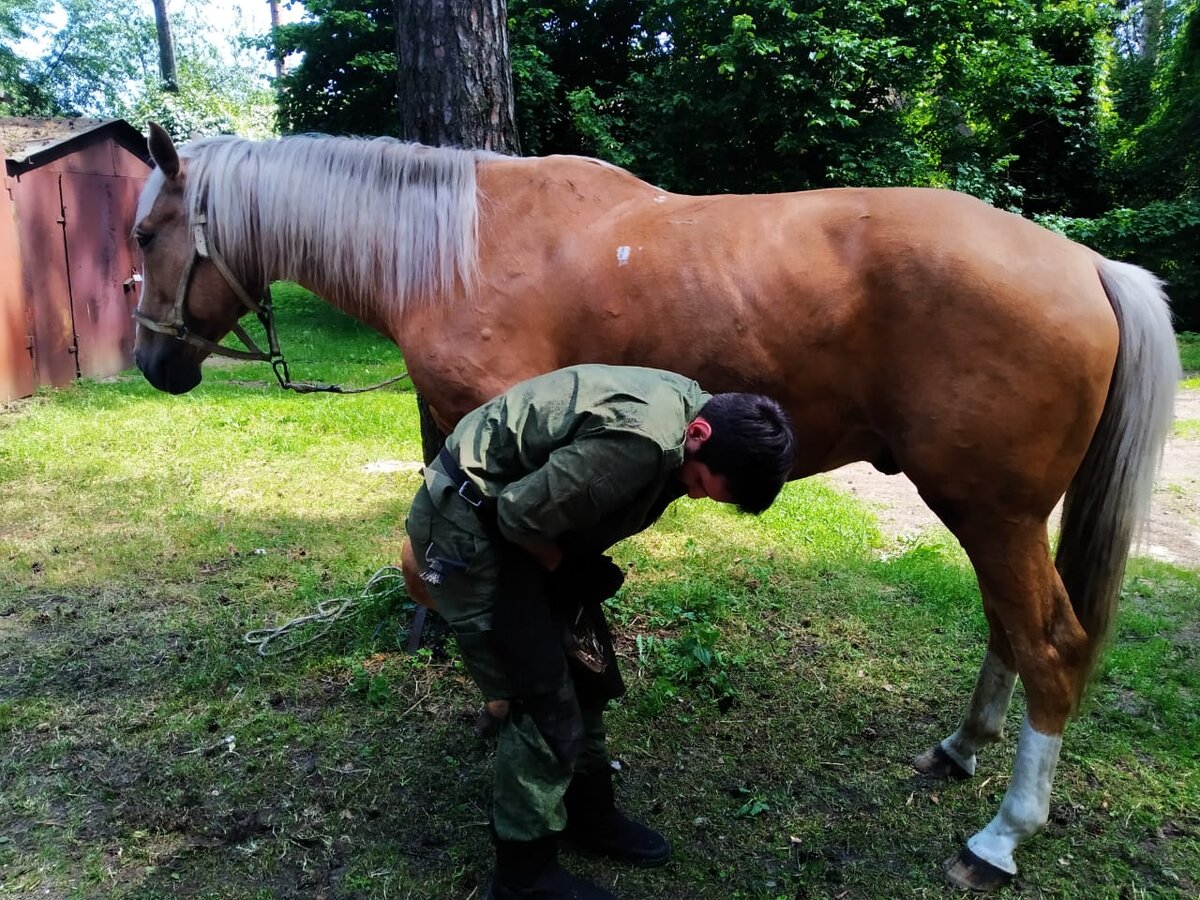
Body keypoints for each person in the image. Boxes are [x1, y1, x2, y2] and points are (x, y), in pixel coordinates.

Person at [404, 364, 795, 900]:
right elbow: (517, 515)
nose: (698, 497)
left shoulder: (696, 413)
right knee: (539, 696)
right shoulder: (644, 440)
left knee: (585, 669)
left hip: (527, 532)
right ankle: (524, 873)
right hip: (473, 530)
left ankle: (588, 813)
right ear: (700, 436)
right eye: (704, 486)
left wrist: (568, 575)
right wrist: (564, 571)